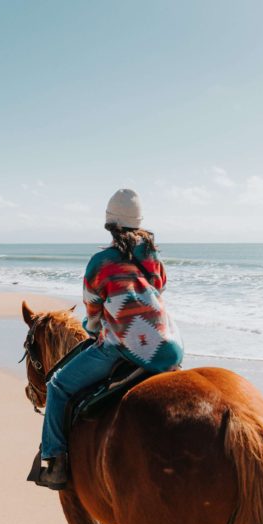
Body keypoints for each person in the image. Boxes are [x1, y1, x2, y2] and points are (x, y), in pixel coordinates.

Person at [34, 188, 183, 490]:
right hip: (171, 348)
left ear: (110, 225)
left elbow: (93, 313)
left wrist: (94, 331)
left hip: (125, 349)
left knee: (57, 386)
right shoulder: (154, 259)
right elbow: (156, 292)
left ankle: (53, 464)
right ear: (139, 223)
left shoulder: (100, 262)